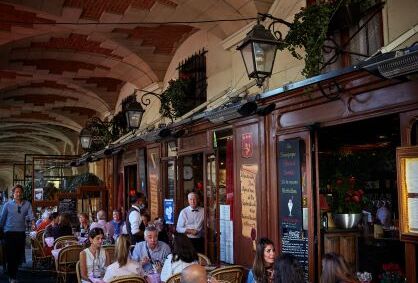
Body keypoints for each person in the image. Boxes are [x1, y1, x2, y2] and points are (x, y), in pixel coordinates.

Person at [0, 184, 36, 283]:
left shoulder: (27, 204)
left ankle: (12, 271)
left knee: (18, 255)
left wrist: (33, 224)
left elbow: (31, 215)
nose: (18, 193)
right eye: (16, 192)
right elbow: (2, 220)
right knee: (11, 255)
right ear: (13, 193)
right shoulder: (7, 205)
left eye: (20, 192)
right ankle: (12, 277)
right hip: (9, 233)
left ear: (22, 193)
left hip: (21, 233)